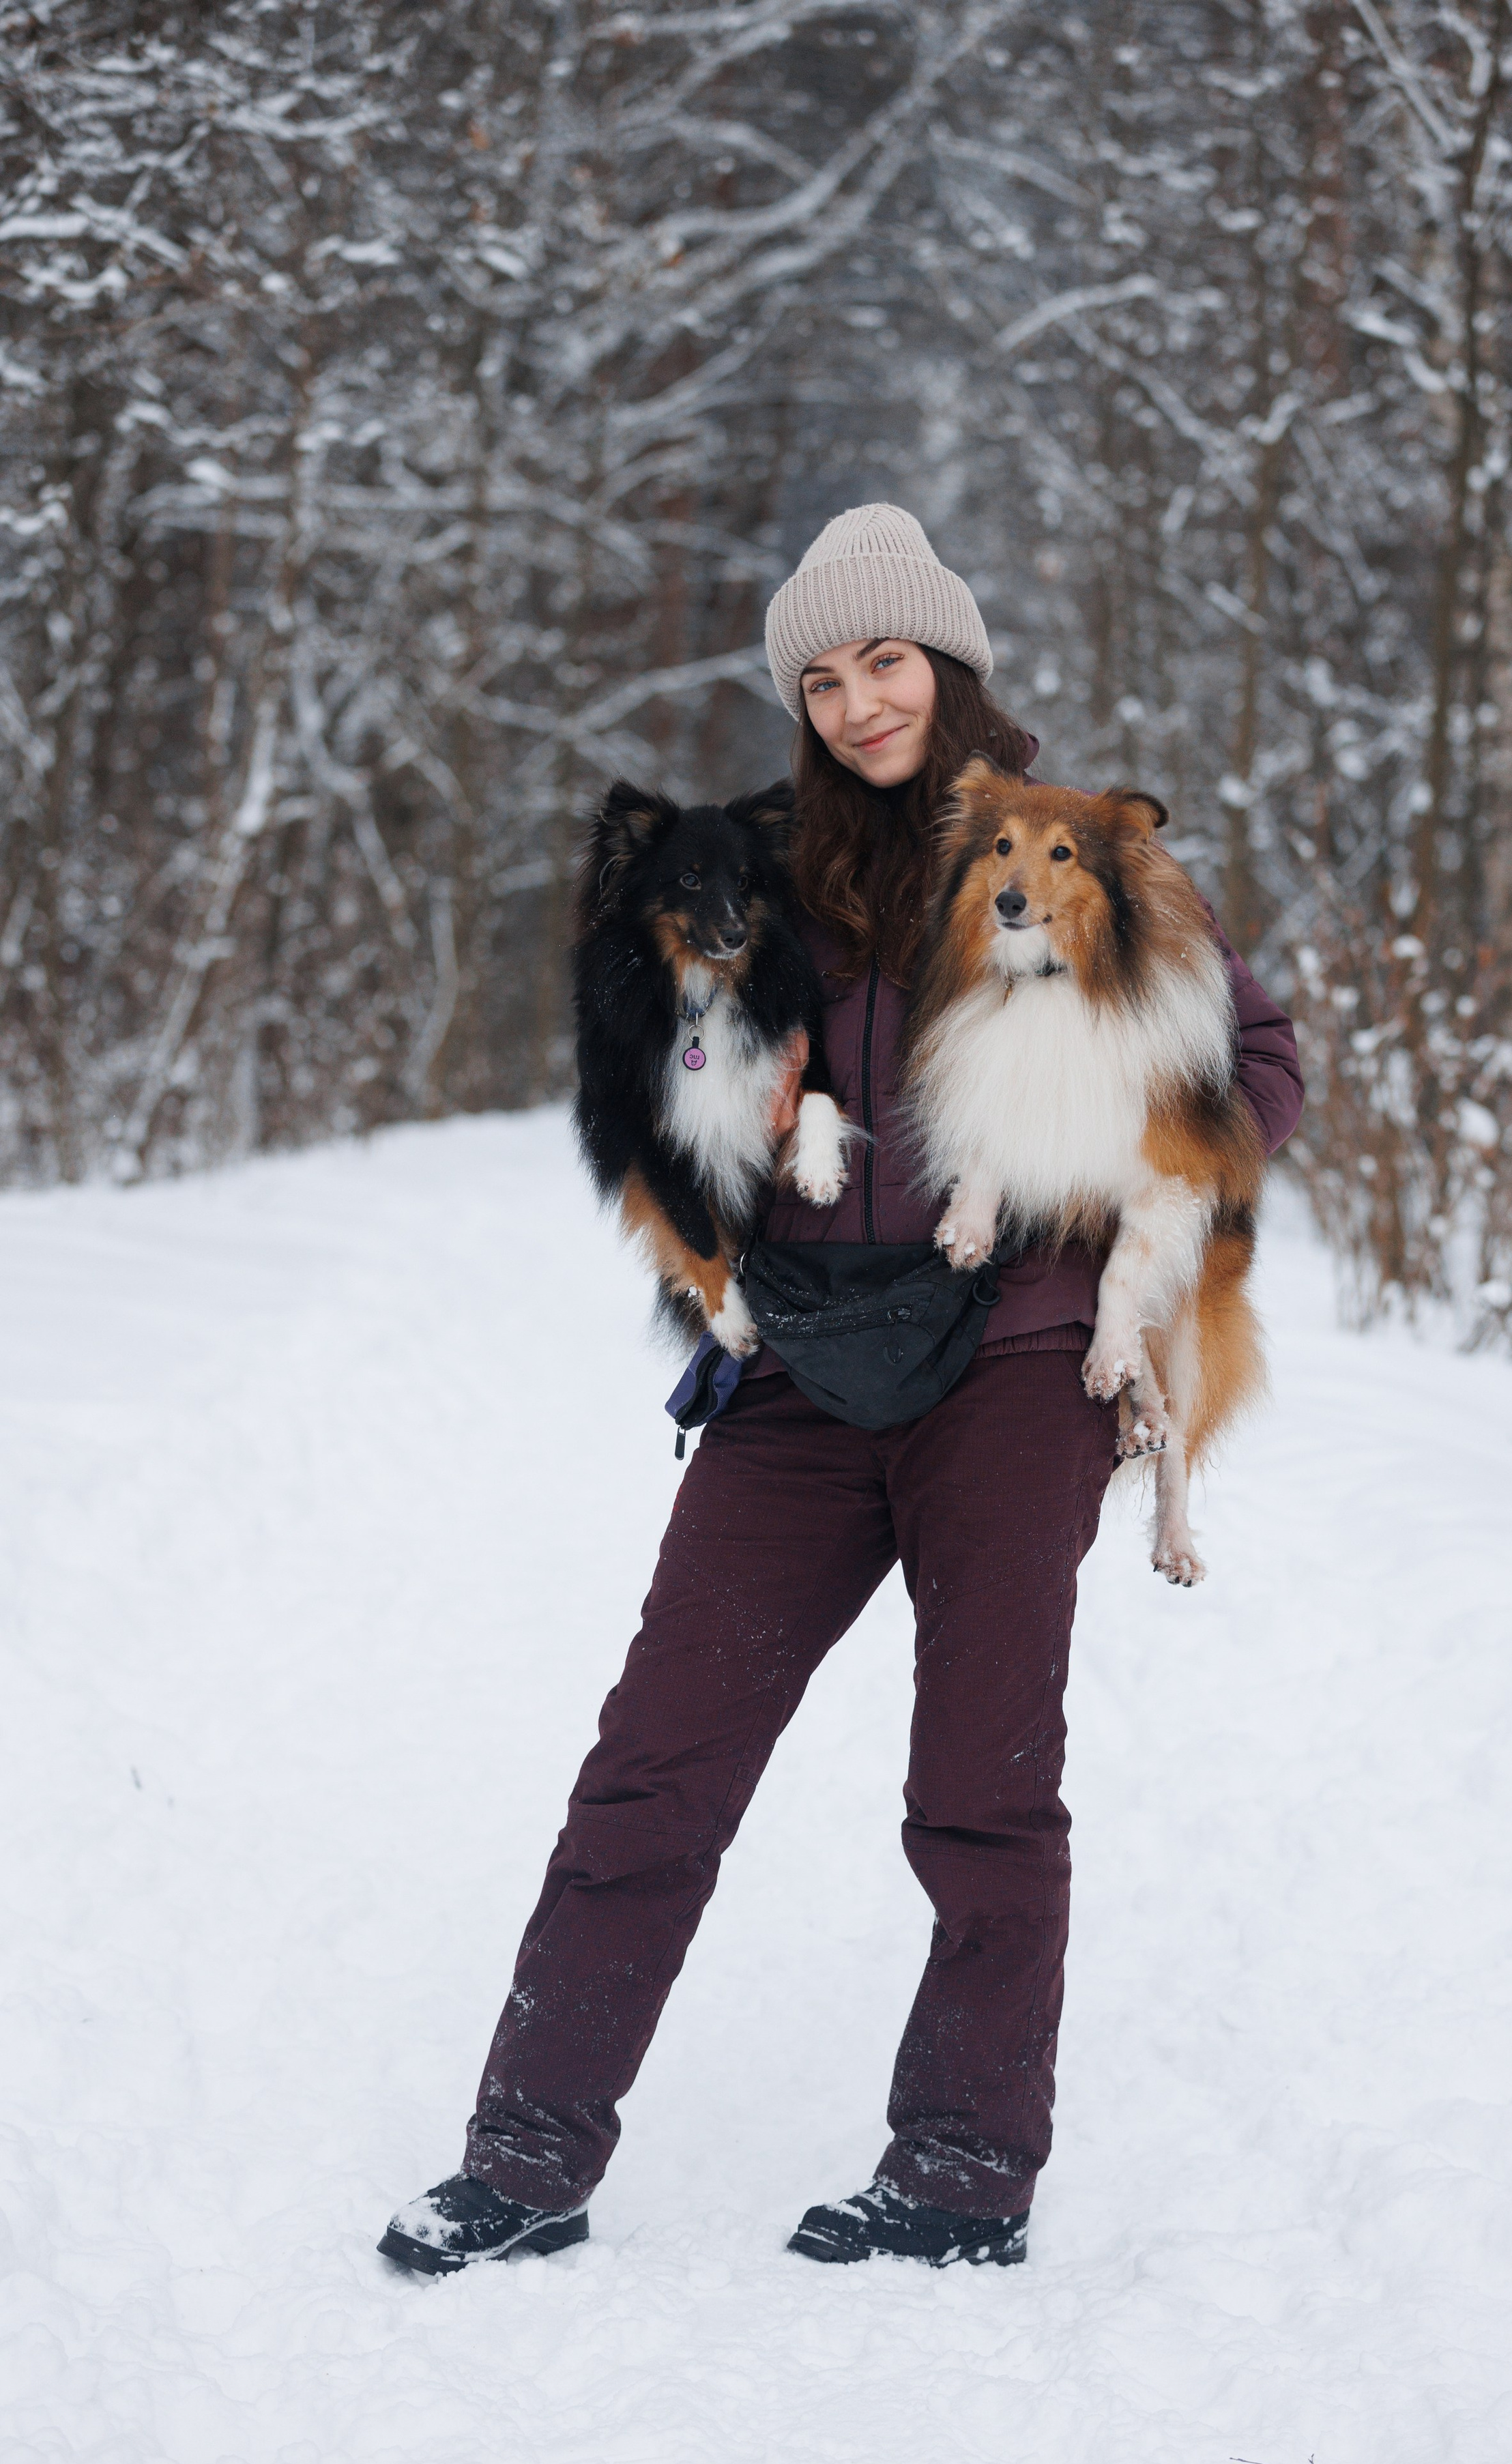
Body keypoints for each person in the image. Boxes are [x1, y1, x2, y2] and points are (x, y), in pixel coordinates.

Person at [378, 505, 1303, 2277]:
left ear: (945, 661)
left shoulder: (1071, 842)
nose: (858, 700)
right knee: (656, 1757)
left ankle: (962, 2171)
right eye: (821, 675)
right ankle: (524, 2153)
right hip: (803, 1366)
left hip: (1017, 1363)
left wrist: (1147, 1155)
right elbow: (684, 1063)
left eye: (884, 661)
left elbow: (1252, 1055)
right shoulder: (767, 862)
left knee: (979, 1780)